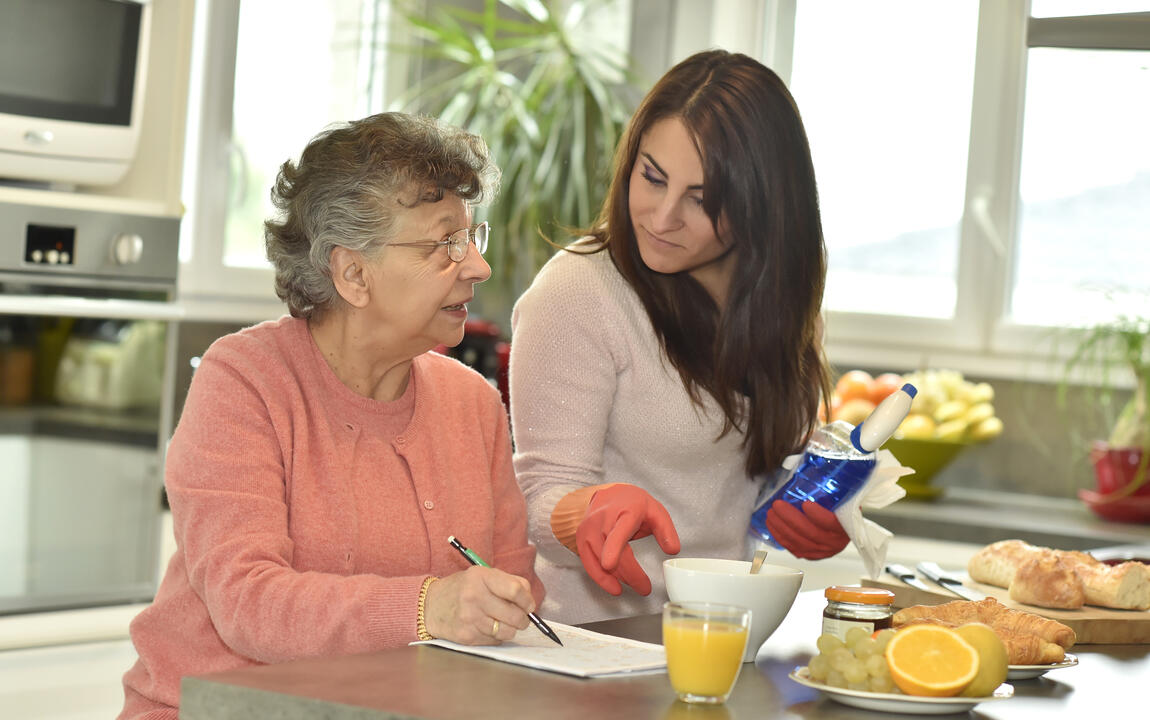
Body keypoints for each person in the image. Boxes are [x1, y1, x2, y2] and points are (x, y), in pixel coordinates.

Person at [119, 112, 544, 719]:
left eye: (472, 238)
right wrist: (431, 608)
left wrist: (501, 609)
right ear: (352, 273)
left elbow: (517, 594)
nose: (478, 267)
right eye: (444, 244)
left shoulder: (473, 402)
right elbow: (248, 602)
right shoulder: (244, 381)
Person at [509, 50, 849, 624]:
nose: (662, 217)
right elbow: (539, 498)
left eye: (703, 199)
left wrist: (814, 511)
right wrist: (587, 511)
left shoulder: (785, 307)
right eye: (652, 177)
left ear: (763, 208)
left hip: (723, 634)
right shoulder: (579, 290)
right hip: (595, 645)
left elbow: (742, 485)